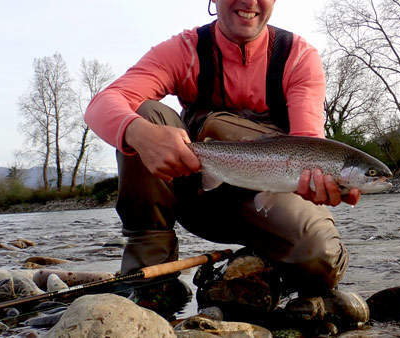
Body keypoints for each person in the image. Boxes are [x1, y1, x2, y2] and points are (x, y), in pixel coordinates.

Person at [85, 0, 362, 316]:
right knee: (142, 112)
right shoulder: (185, 50)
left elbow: (310, 143)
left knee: (320, 258)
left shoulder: (298, 57)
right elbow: (103, 104)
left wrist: (317, 184)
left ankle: (268, 267)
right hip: (197, 196)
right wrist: (138, 133)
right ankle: (152, 283)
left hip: (268, 201)